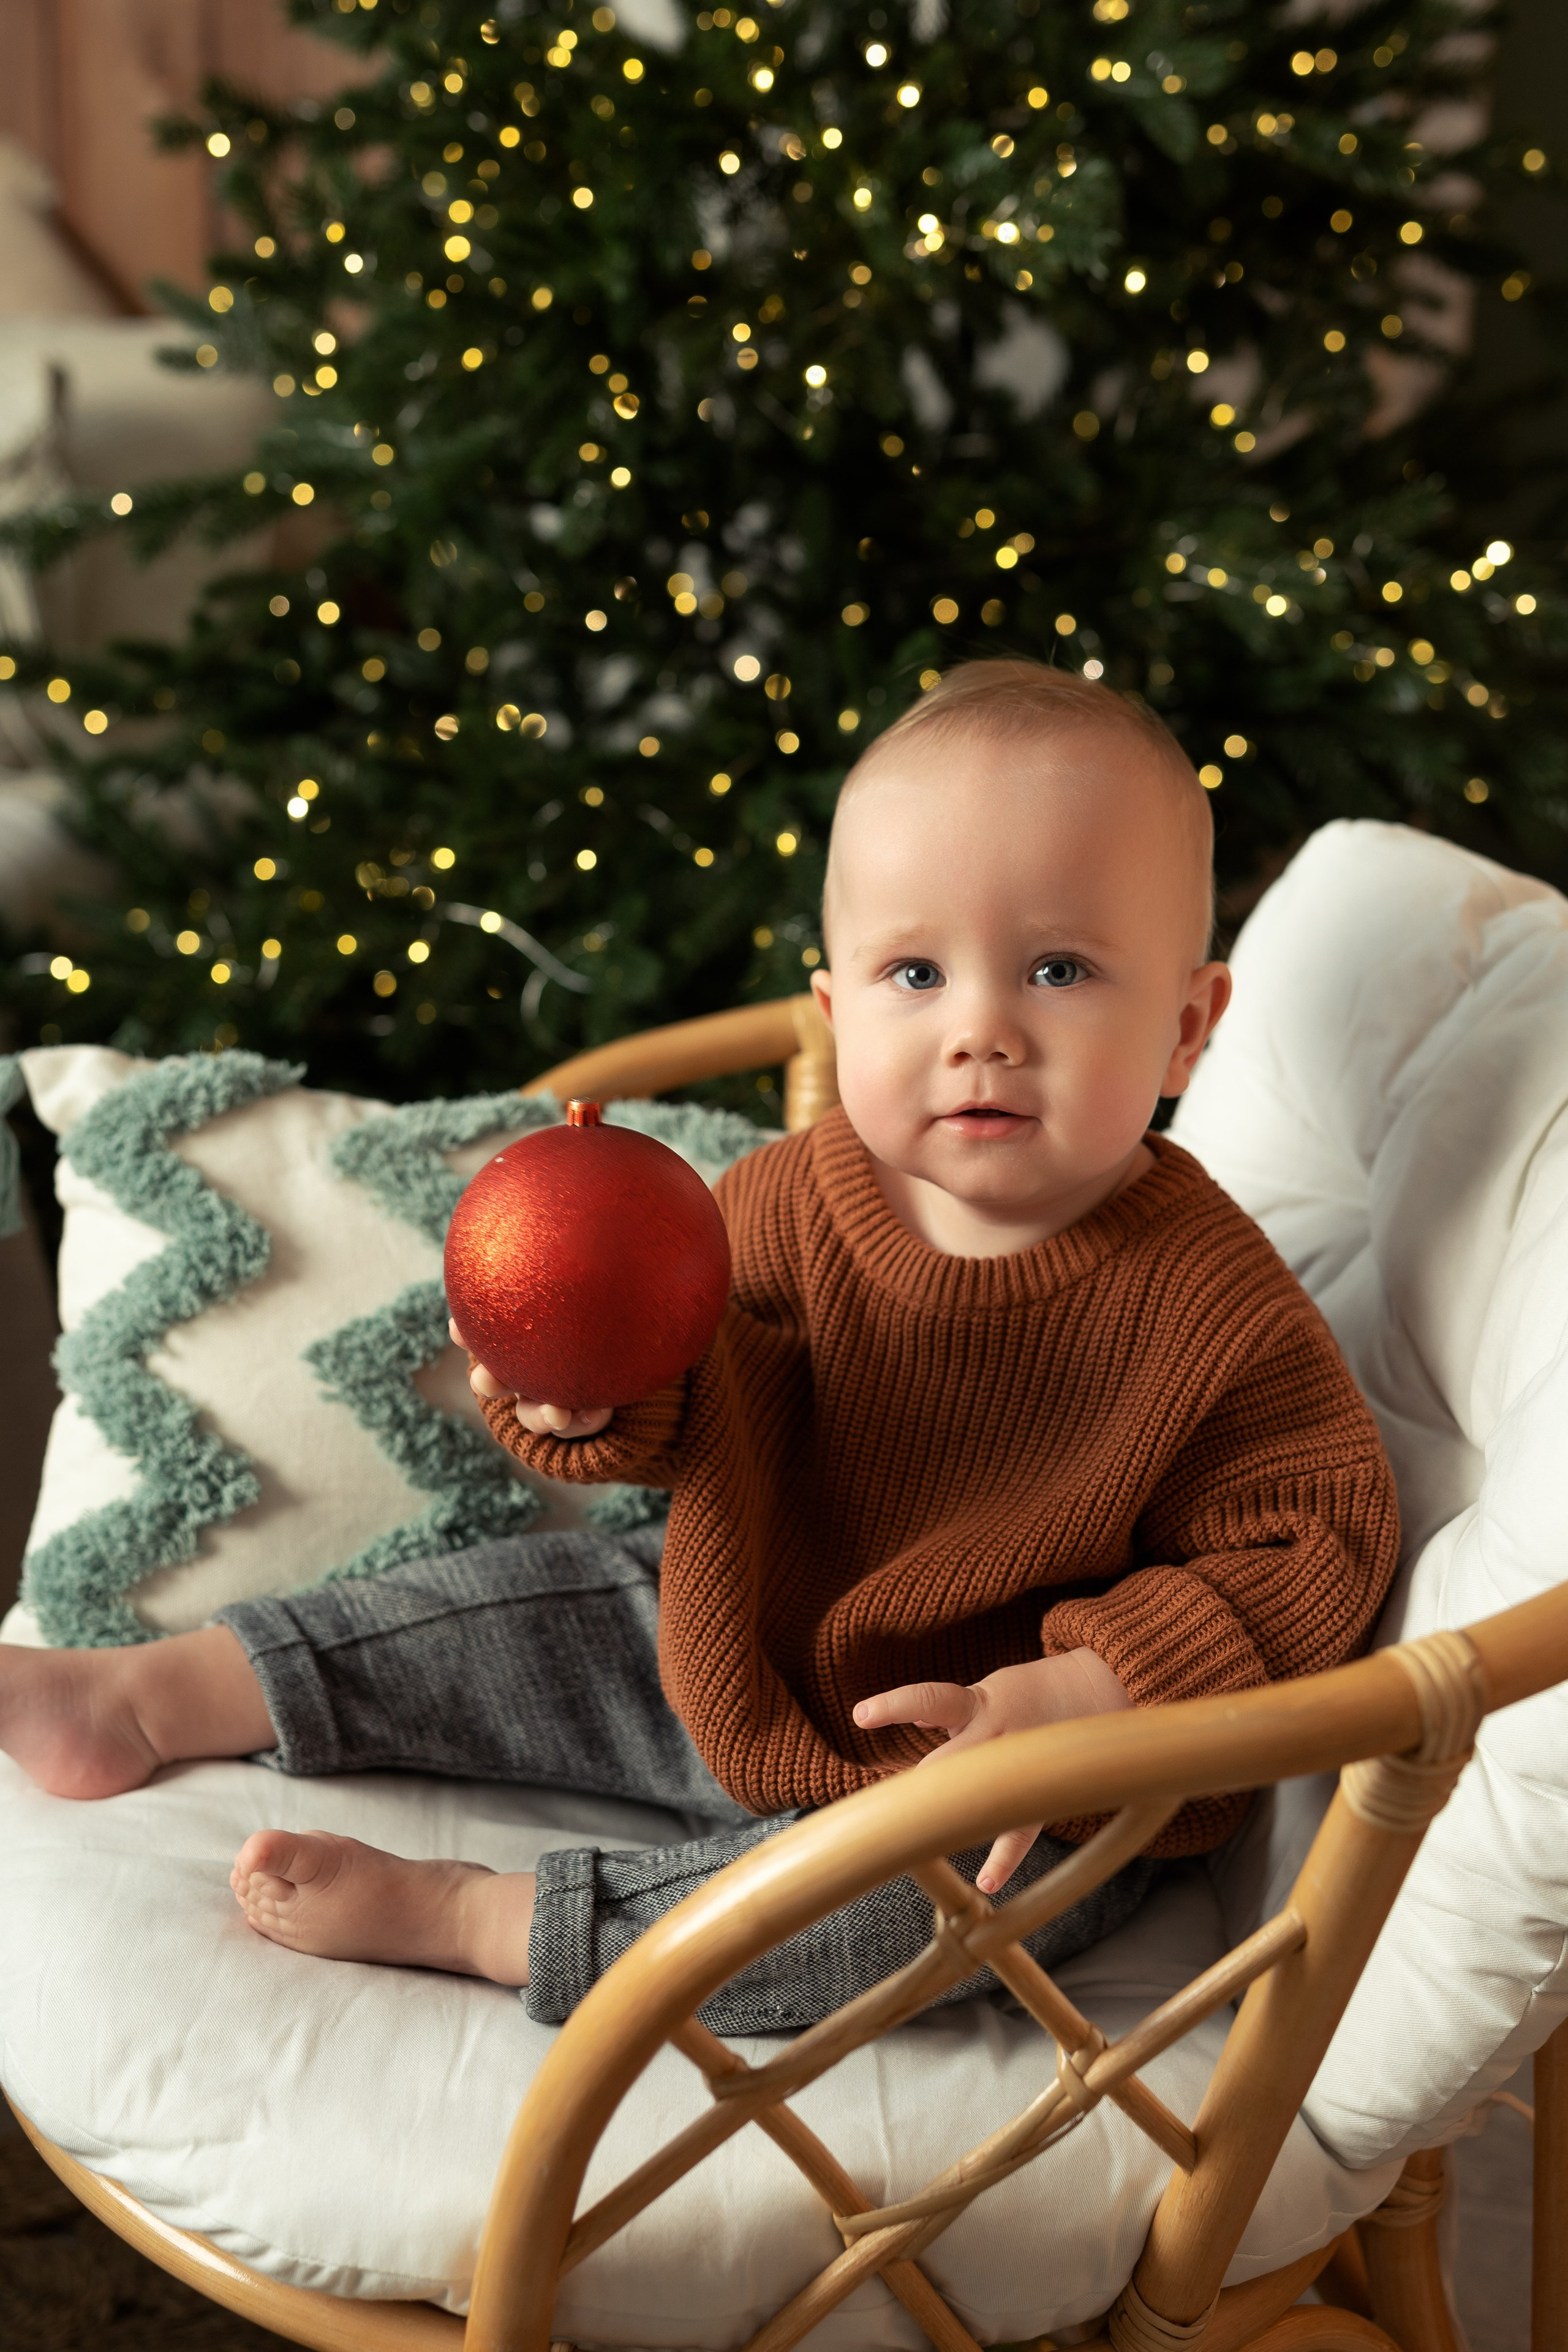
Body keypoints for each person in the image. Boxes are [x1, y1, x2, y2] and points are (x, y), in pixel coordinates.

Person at [0, 659, 1400, 2033]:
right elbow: (692, 1397)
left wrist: (1096, 1688)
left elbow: (1310, 1542)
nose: (980, 1030)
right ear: (838, 1011)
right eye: (915, 972)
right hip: (734, 1636)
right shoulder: (786, 1202)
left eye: (1057, 969)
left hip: (1000, 1775)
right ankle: (148, 1694)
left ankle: (494, 1921)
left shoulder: (1211, 1301)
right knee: (503, 1612)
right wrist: (585, 1401)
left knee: (913, 1918)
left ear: (1184, 1030)